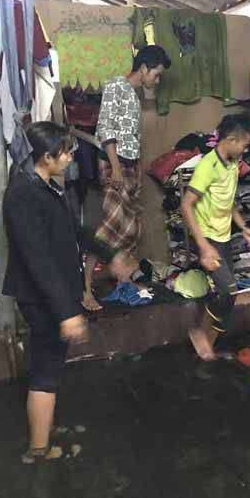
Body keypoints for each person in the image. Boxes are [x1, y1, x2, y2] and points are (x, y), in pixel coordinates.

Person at [3, 122, 132, 463]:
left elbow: (75, 231)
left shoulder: (45, 186)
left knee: (50, 366)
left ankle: (43, 431)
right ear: (46, 157)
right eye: (65, 152)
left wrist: (109, 254)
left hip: (53, 293)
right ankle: (39, 450)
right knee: (45, 371)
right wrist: (66, 313)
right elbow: (38, 261)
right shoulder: (23, 194)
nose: (71, 157)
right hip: (41, 296)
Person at [82, 45, 172, 312]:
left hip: (129, 167)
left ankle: (123, 283)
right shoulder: (116, 86)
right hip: (116, 166)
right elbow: (106, 129)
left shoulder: (133, 95)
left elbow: (132, 139)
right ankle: (85, 290)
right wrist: (116, 169)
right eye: (156, 74)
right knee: (107, 231)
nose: (157, 80)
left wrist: (137, 172)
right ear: (143, 68)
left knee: (131, 230)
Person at [180, 113, 250, 361]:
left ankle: (207, 347)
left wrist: (244, 227)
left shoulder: (233, 164)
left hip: (223, 238)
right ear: (231, 139)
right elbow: (186, 205)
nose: (246, 150)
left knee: (226, 294)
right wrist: (203, 247)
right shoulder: (208, 166)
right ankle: (199, 332)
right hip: (206, 239)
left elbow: (229, 202)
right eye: (245, 145)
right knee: (229, 292)